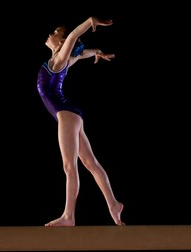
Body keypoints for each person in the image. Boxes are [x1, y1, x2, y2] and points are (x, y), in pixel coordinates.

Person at [36, 16, 125, 226]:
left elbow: (75, 36)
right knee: (89, 162)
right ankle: (113, 203)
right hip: (70, 114)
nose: (50, 33)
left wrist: (90, 21)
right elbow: (81, 53)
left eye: (55, 31)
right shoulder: (62, 61)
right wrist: (97, 52)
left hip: (65, 114)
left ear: (61, 41)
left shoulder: (58, 61)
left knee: (70, 166)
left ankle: (69, 216)